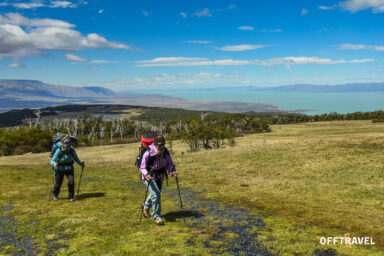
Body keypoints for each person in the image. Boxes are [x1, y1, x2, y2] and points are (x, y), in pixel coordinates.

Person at [139, 135, 178, 225]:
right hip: (148, 176)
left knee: (155, 194)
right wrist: (147, 175)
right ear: (155, 144)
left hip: (160, 176)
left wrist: (171, 172)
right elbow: (142, 167)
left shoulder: (165, 152)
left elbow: (169, 164)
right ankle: (157, 216)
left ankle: (145, 207)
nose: (161, 147)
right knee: (156, 195)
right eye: (159, 145)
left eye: (163, 145)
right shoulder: (148, 153)